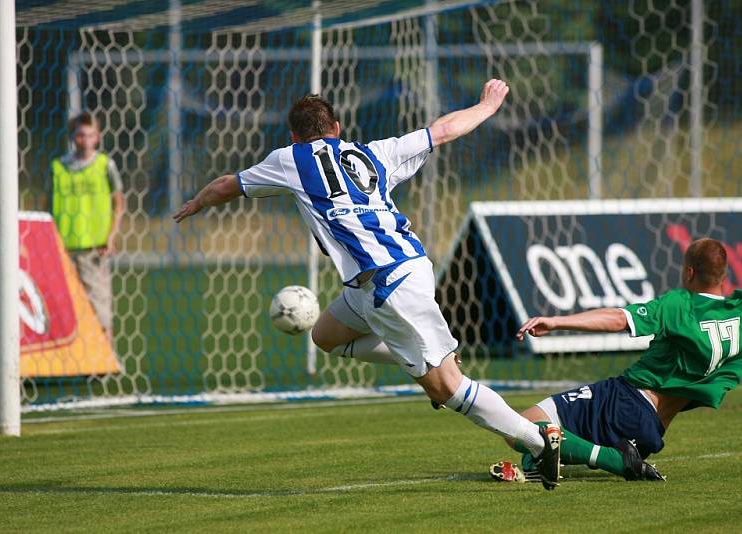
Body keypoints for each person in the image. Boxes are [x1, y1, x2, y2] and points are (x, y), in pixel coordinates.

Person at [173, 79, 563, 490]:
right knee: (325, 335)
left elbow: (225, 186)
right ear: (337, 128)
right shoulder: (374, 151)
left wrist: (197, 203)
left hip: (388, 283)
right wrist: (487, 106)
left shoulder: (289, 159)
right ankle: (416, 359)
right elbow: (443, 130)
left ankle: (538, 443)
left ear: (293, 136)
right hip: (388, 276)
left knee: (447, 387)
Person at [500, 226, 742, 482]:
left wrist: (558, 322)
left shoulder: (679, 305)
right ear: (724, 276)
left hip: (625, 403)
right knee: (543, 442)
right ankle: (542, 461)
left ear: (689, 273)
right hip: (651, 432)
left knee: (522, 425)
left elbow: (618, 318)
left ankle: (612, 458)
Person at [51, 112, 125, 341]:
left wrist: (111, 236)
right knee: (67, 307)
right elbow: (48, 205)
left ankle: (106, 359)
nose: (86, 140)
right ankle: (78, 357)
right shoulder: (58, 167)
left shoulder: (105, 165)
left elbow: (119, 203)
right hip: (63, 248)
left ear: (98, 137)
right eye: (81, 135)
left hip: (95, 247)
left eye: (91, 135)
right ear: (73, 137)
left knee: (99, 303)